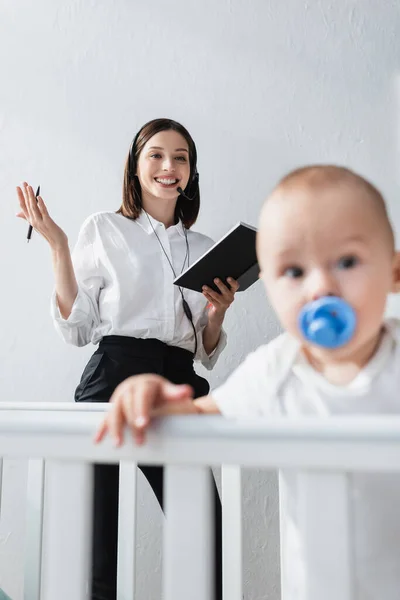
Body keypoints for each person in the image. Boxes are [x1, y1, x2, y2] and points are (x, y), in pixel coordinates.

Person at [96, 164, 400, 600]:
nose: (320, 288)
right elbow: (196, 420)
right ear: (270, 288)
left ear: (394, 272)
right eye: (294, 272)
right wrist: (154, 395)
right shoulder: (276, 369)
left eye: (347, 261)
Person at [16, 118, 239, 600]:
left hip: (177, 387)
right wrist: (57, 245)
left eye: (181, 157)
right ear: (136, 168)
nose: (169, 166)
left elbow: (203, 349)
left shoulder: (206, 249)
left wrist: (217, 314)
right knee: (99, 547)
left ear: (191, 173)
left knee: (205, 541)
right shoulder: (105, 228)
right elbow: (78, 327)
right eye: (156, 155)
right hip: (113, 376)